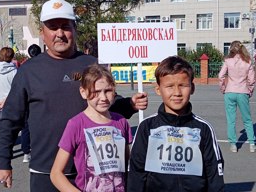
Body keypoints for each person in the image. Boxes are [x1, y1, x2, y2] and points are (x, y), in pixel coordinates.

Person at [0, 0, 148, 191]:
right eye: (52, 27)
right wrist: (3, 161)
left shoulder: (92, 64)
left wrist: (130, 105)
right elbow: (11, 118)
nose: (60, 34)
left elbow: (106, 103)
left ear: (74, 30)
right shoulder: (28, 71)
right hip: (45, 171)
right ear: (42, 33)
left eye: (65, 26)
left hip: (94, 172)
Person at [128, 56, 224, 192]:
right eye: (169, 87)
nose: (177, 93)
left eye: (183, 86)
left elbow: (214, 173)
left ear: (192, 88)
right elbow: (136, 172)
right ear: (158, 89)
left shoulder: (203, 129)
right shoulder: (147, 127)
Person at [51, 64, 132, 191]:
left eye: (108, 91)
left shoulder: (121, 122)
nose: (103, 98)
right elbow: (56, 174)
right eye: (96, 92)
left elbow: (127, 164)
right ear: (83, 92)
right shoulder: (76, 124)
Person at [218, 40, 256, 153]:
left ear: (231, 49)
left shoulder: (228, 60)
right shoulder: (248, 61)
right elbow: (252, 79)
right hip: (243, 91)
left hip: (230, 91)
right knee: (247, 119)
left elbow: (221, 75)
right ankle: (252, 144)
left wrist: (223, 88)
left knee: (231, 120)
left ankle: (233, 145)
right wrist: (250, 90)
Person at [21, 44, 42, 163]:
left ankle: (26, 151)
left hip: (27, 98)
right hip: (40, 99)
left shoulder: (24, 66)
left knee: (26, 127)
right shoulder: (45, 66)